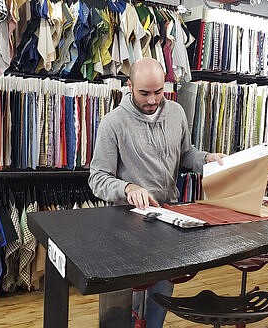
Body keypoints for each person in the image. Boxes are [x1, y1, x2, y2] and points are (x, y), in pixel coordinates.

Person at [88, 57, 225, 328]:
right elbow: (97, 178)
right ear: (129, 86)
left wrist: (207, 158)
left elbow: (186, 153)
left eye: (159, 92)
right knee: (123, 303)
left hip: (169, 219)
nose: (152, 100)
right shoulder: (113, 123)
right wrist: (127, 188)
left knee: (162, 293)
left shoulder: (176, 113)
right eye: (144, 93)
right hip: (127, 225)